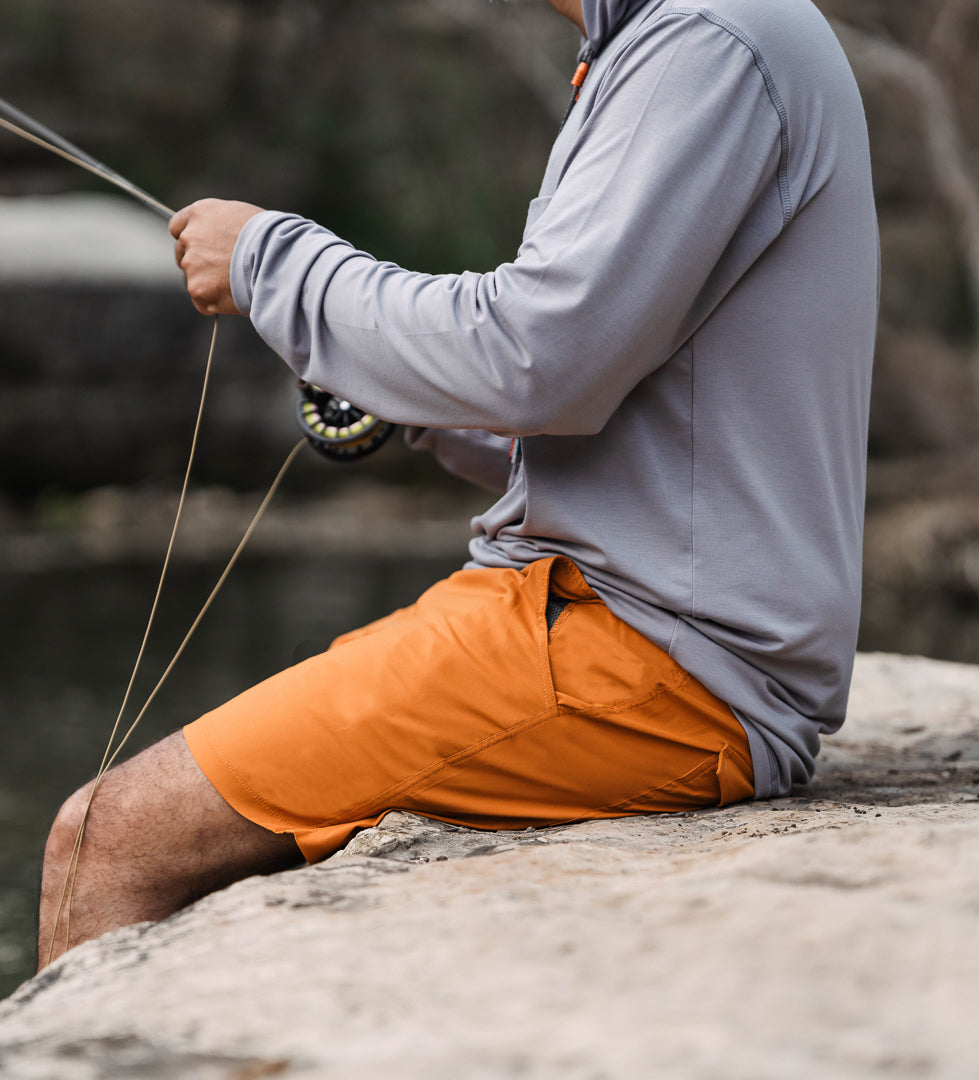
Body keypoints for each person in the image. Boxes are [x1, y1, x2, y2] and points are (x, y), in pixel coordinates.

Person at [38, 0, 877, 968]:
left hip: (656, 660)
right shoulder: (681, 37)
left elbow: (538, 356)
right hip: (623, 630)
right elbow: (620, 406)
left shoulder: (708, 38)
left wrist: (272, 262)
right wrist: (419, 407)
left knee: (105, 840)